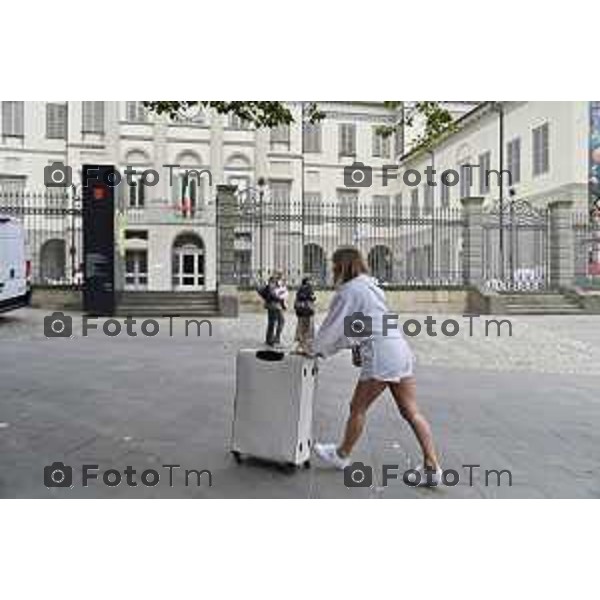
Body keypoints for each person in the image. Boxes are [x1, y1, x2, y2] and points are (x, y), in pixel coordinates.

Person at [312, 247, 442, 486]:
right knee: (411, 411)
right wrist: (356, 348)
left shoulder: (348, 291)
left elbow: (334, 326)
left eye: (334, 265)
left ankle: (341, 454)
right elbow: (364, 323)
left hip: (382, 354)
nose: (332, 270)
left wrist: (315, 349)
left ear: (342, 266)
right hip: (399, 349)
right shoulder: (372, 287)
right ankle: (432, 466)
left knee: (357, 407)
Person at [258, 273, 288, 347]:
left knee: (272, 322)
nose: (282, 279)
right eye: (281, 277)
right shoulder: (272, 283)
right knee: (280, 321)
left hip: (273, 305)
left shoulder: (276, 284)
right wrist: (280, 296)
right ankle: (274, 339)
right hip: (274, 306)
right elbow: (273, 294)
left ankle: (270, 339)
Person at [293, 277, 316, 354]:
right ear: (307, 282)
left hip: (301, 312)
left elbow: (299, 298)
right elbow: (311, 297)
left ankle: (299, 347)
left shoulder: (300, 289)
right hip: (307, 312)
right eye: (310, 281)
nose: (312, 282)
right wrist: (312, 297)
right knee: (308, 330)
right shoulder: (308, 288)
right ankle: (307, 349)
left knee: (301, 329)